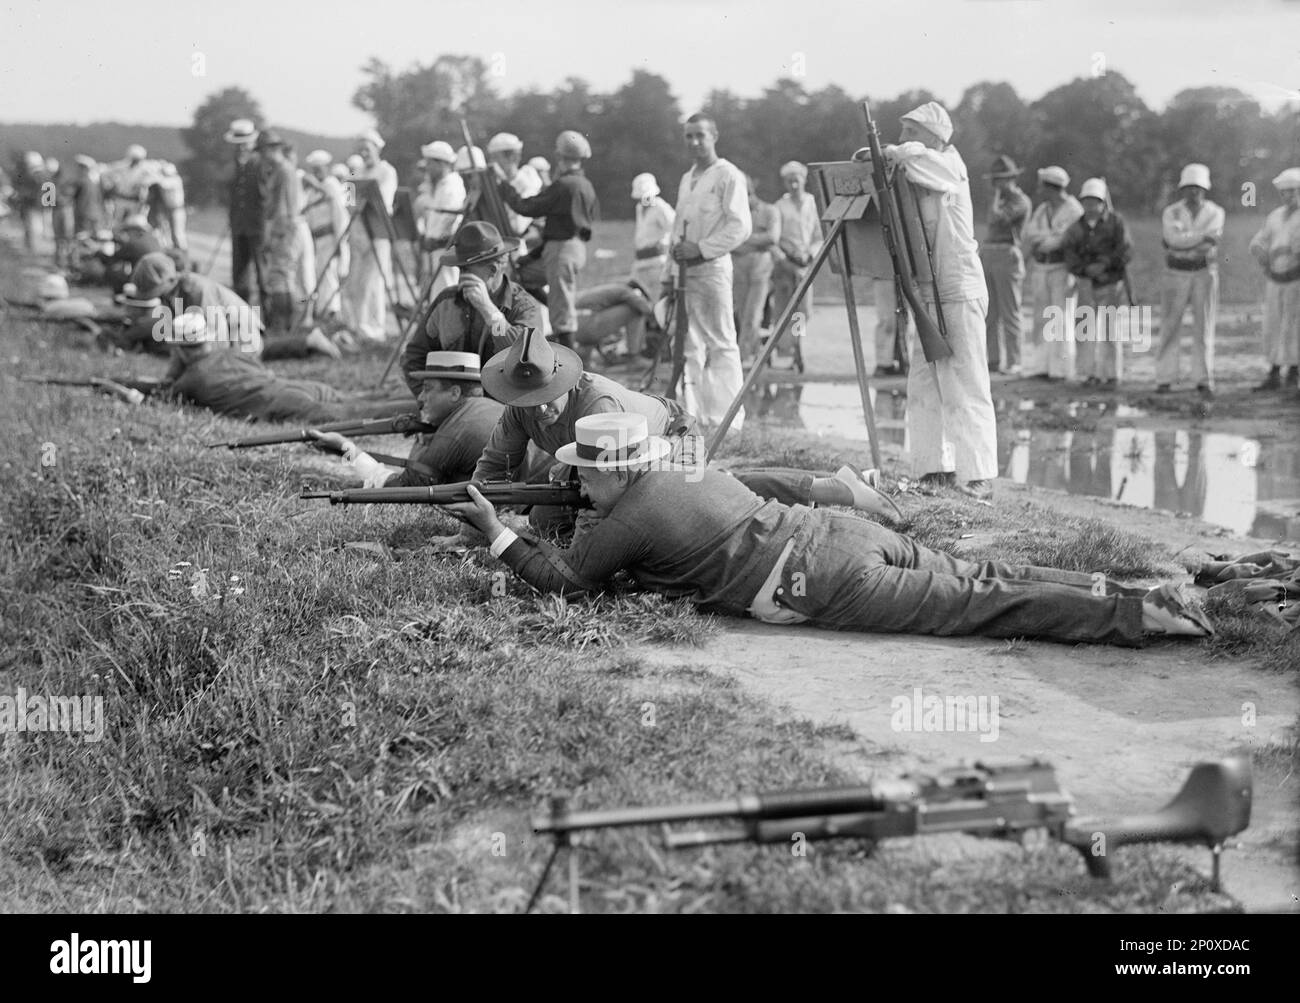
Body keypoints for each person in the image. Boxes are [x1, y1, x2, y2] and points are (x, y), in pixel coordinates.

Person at [446, 412, 1215, 647]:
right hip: (838, 530)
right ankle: (1132, 590)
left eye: (585, 471)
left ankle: (1135, 613)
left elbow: (569, 584)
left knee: (983, 604)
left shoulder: (628, 514)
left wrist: (499, 534)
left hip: (825, 579)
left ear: (612, 471)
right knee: (981, 579)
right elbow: (748, 480)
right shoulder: (683, 467)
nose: (577, 481)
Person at [470, 329, 901, 535]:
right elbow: (492, 468)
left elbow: (608, 484)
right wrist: (472, 522)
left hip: (673, 436)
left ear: (563, 380)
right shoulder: (518, 411)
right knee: (549, 524)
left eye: (548, 395)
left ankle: (831, 489)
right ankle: (831, 486)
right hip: (612, 463)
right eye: (527, 400)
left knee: (701, 494)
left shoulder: (599, 404)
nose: (540, 408)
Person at [871, 102, 999, 500]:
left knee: (965, 382)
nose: (904, 138)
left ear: (932, 136)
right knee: (924, 383)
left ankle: (977, 475)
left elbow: (913, 157)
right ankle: (933, 468)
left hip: (959, 288)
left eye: (910, 131)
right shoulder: (918, 165)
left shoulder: (947, 166)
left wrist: (890, 150)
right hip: (928, 290)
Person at [307, 351, 550, 488]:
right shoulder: (484, 407)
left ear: (455, 393)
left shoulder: (453, 433)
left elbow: (399, 487)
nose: (421, 397)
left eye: (428, 388)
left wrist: (345, 449)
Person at [156, 313, 409, 423]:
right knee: (361, 399)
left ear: (179, 350)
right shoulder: (230, 353)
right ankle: (415, 397)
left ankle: (421, 409)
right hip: (292, 387)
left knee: (357, 412)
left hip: (279, 402)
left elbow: (160, 393)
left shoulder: (190, 379)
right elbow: (266, 348)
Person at [667, 113, 751, 432]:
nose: (695, 142)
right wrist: (669, 271)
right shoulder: (688, 177)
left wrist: (701, 248)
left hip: (712, 268)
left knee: (722, 342)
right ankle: (694, 415)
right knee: (688, 343)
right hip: (684, 273)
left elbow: (740, 226)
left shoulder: (727, 175)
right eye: (689, 136)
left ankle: (728, 420)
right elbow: (677, 228)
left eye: (700, 135)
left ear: (715, 135)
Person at [400, 221, 543, 392]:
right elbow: (414, 356)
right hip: (452, 405)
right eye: (460, 270)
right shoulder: (446, 302)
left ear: (493, 269)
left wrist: (490, 312)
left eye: (467, 270)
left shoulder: (524, 307)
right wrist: (426, 400)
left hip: (504, 407)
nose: (462, 277)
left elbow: (522, 356)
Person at [495, 130, 600, 350]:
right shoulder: (585, 185)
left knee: (561, 306)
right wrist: (531, 256)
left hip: (562, 249)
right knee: (525, 277)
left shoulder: (564, 185)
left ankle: (571, 359)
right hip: (571, 247)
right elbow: (561, 226)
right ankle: (563, 337)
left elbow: (527, 207)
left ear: (560, 157)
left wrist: (506, 190)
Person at [1156, 164, 1225, 395]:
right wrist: (1197, 239)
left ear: (1204, 189)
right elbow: (1172, 239)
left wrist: (1185, 241)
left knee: (1203, 325)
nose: (1193, 192)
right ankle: (1165, 377)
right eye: (1188, 187)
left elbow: (1210, 241)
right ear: (1182, 189)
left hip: (1204, 272)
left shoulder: (1215, 212)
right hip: (1175, 272)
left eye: (1197, 187)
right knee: (1170, 324)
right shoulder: (1171, 212)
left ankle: (1203, 378)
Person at [1062, 178, 1132, 388]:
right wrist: (1086, 270)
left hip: (1111, 282)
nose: (1091, 206)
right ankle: (1087, 373)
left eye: (1095, 201)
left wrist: (1105, 265)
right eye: (1087, 201)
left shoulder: (1117, 223)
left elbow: (1125, 250)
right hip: (1085, 283)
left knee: (1111, 331)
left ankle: (1111, 374)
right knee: (1084, 331)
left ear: (1103, 203)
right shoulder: (1075, 228)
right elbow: (1070, 254)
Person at [1023, 166, 1082, 380]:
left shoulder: (1074, 210)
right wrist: (1046, 238)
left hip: (1062, 268)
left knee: (1060, 316)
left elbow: (1062, 239)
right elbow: (1031, 233)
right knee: (1041, 316)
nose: (1041, 191)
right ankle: (1041, 366)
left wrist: (1045, 240)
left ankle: (1061, 368)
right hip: (1041, 267)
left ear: (1052, 188)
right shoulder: (1042, 209)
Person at [341, 129, 399, 344]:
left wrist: (363, 198)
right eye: (361, 149)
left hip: (377, 232)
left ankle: (375, 330)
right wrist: (354, 198)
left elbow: (382, 199)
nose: (364, 153)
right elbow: (347, 198)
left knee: (372, 282)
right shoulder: (357, 171)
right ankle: (358, 326)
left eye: (368, 149)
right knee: (355, 282)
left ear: (377, 148)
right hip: (358, 234)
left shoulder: (386, 171)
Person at [1248, 167, 1300, 391]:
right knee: (1273, 323)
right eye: (1284, 192)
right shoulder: (1275, 216)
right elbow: (1259, 242)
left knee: (1295, 324)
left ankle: (1294, 372)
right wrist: (1264, 260)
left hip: (1297, 278)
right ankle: (1275, 371)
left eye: (1292, 191)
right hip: (1276, 278)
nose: (1288, 196)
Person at [980, 155, 1032, 375]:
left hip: (1007, 252)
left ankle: (1014, 360)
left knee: (1010, 311)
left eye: (1003, 179)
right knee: (989, 313)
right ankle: (992, 359)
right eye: (996, 179)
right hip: (989, 252)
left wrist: (998, 195)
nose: (998, 183)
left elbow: (996, 219)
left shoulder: (1020, 201)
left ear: (1012, 178)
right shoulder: (998, 199)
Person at [770, 161, 822, 365]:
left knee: (803, 311)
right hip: (784, 265)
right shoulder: (779, 207)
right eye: (789, 181)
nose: (793, 185)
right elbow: (773, 242)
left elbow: (818, 236)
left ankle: (797, 348)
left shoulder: (812, 203)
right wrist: (785, 260)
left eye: (796, 180)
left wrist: (810, 254)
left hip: (804, 265)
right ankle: (782, 351)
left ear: (804, 180)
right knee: (783, 310)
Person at [255, 131, 302, 335]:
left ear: (272, 150)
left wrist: (271, 236)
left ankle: (282, 325)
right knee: (283, 277)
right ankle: (285, 324)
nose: (263, 157)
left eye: (264, 151)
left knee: (280, 277)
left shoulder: (283, 171)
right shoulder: (284, 170)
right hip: (286, 228)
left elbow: (280, 208)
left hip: (283, 229)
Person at [731, 174, 780, 362]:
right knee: (743, 313)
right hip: (739, 270)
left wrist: (745, 239)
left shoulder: (770, 211)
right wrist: (759, 241)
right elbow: (730, 242)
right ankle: (753, 352)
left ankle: (746, 355)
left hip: (762, 269)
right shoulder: (734, 214)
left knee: (754, 313)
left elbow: (773, 237)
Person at [301, 149, 350, 328]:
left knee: (329, 276)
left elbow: (340, 215)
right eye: (314, 169)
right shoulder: (314, 191)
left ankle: (331, 313)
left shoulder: (331, 185)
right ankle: (322, 313)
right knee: (319, 275)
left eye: (319, 168)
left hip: (330, 237)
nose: (317, 172)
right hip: (317, 239)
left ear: (326, 167)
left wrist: (340, 242)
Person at [412, 140, 465, 300]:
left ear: (441, 163)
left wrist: (436, 239)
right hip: (435, 248)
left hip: (445, 246)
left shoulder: (452, 185)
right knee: (437, 294)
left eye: (430, 163)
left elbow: (449, 218)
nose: (427, 168)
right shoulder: (438, 185)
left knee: (446, 291)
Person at [225, 118, 265, 308]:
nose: (241, 148)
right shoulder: (234, 164)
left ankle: (270, 317)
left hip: (258, 226)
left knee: (262, 273)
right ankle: (242, 313)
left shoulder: (260, 163)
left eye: (244, 144)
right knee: (239, 274)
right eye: (237, 144)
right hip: (238, 226)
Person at [629, 173, 675, 309]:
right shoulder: (639, 208)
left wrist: (666, 245)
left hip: (657, 262)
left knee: (658, 299)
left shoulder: (661, 208)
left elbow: (675, 228)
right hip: (640, 262)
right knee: (635, 295)